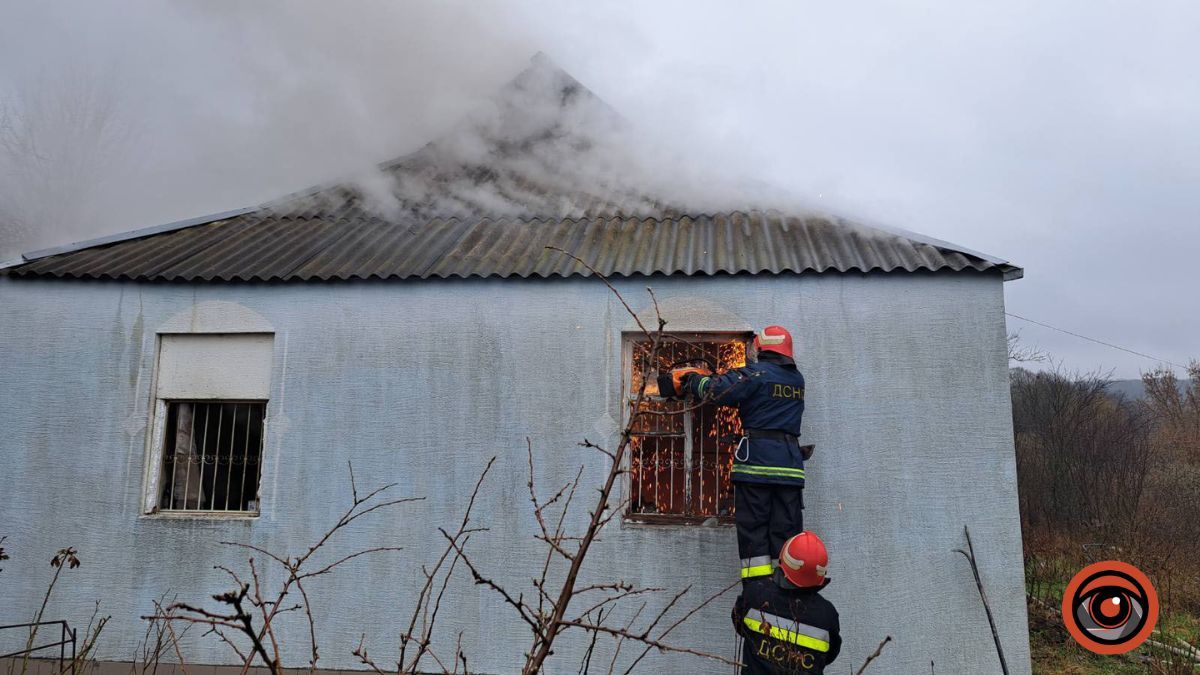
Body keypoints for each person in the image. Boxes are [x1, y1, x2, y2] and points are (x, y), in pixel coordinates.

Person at [660, 325, 807, 582]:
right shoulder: (796, 380)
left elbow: (718, 390)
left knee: (754, 533)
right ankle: (787, 589)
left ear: (761, 349)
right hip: (790, 470)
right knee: (787, 535)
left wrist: (693, 379)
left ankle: (757, 590)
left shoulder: (756, 375)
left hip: (757, 469)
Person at [732, 531, 841, 674]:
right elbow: (829, 655)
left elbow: (738, 623)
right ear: (820, 575)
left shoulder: (755, 594)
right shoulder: (827, 615)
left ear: (783, 562)